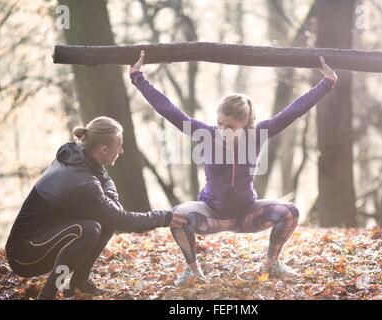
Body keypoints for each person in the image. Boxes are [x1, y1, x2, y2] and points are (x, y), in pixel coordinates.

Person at [129, 50, 337, 285]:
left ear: (246, 124)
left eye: (230, 126)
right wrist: (138, 78)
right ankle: (192, 270)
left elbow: (294, 110)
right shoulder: (205, 135)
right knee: (178, 215)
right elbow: (169, 110)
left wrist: (326, 83)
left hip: (246, 214)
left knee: (289, 212)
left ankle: (271, 263)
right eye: (219, 123)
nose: (222, 129)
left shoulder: (258, 135)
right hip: (210, 214)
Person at [5, 116, 187, 299]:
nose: (122, 151)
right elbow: (122, 219)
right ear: (104, 149)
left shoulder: (78, 154)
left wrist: (109, 197)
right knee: (89, 229)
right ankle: (48, 295)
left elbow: (108, 191)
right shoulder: (83, 182)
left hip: (44, 237)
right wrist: (165, 217)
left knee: (106, 220)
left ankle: (78, 284)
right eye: (119, 145)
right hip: (24, 255)